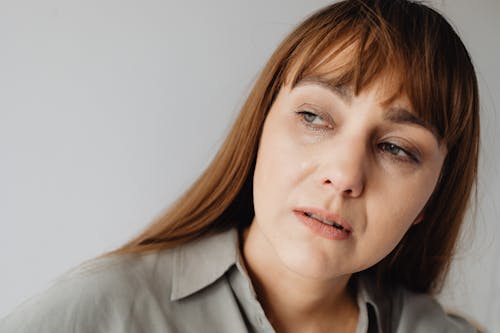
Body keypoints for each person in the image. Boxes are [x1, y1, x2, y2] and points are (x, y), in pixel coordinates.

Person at [0, 0, 481, 332]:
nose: (345, 175)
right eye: (314, 117)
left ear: (432, 195)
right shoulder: (104, 311)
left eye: (397, 148)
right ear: (260, 130)